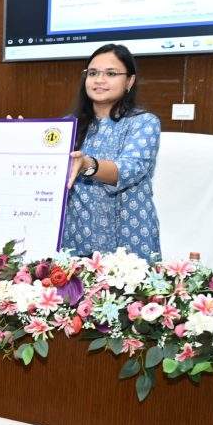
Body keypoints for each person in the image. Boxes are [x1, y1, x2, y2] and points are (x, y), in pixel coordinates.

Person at [63, 43, 160, 261]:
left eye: (111, 73)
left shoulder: (144, 122)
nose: (99, 80)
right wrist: (23, 138)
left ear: (129, 81)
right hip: (76, 237)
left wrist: (87, 164)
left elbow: (128, 170)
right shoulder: (68, 125)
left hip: (128, 239)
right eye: (93, 73)